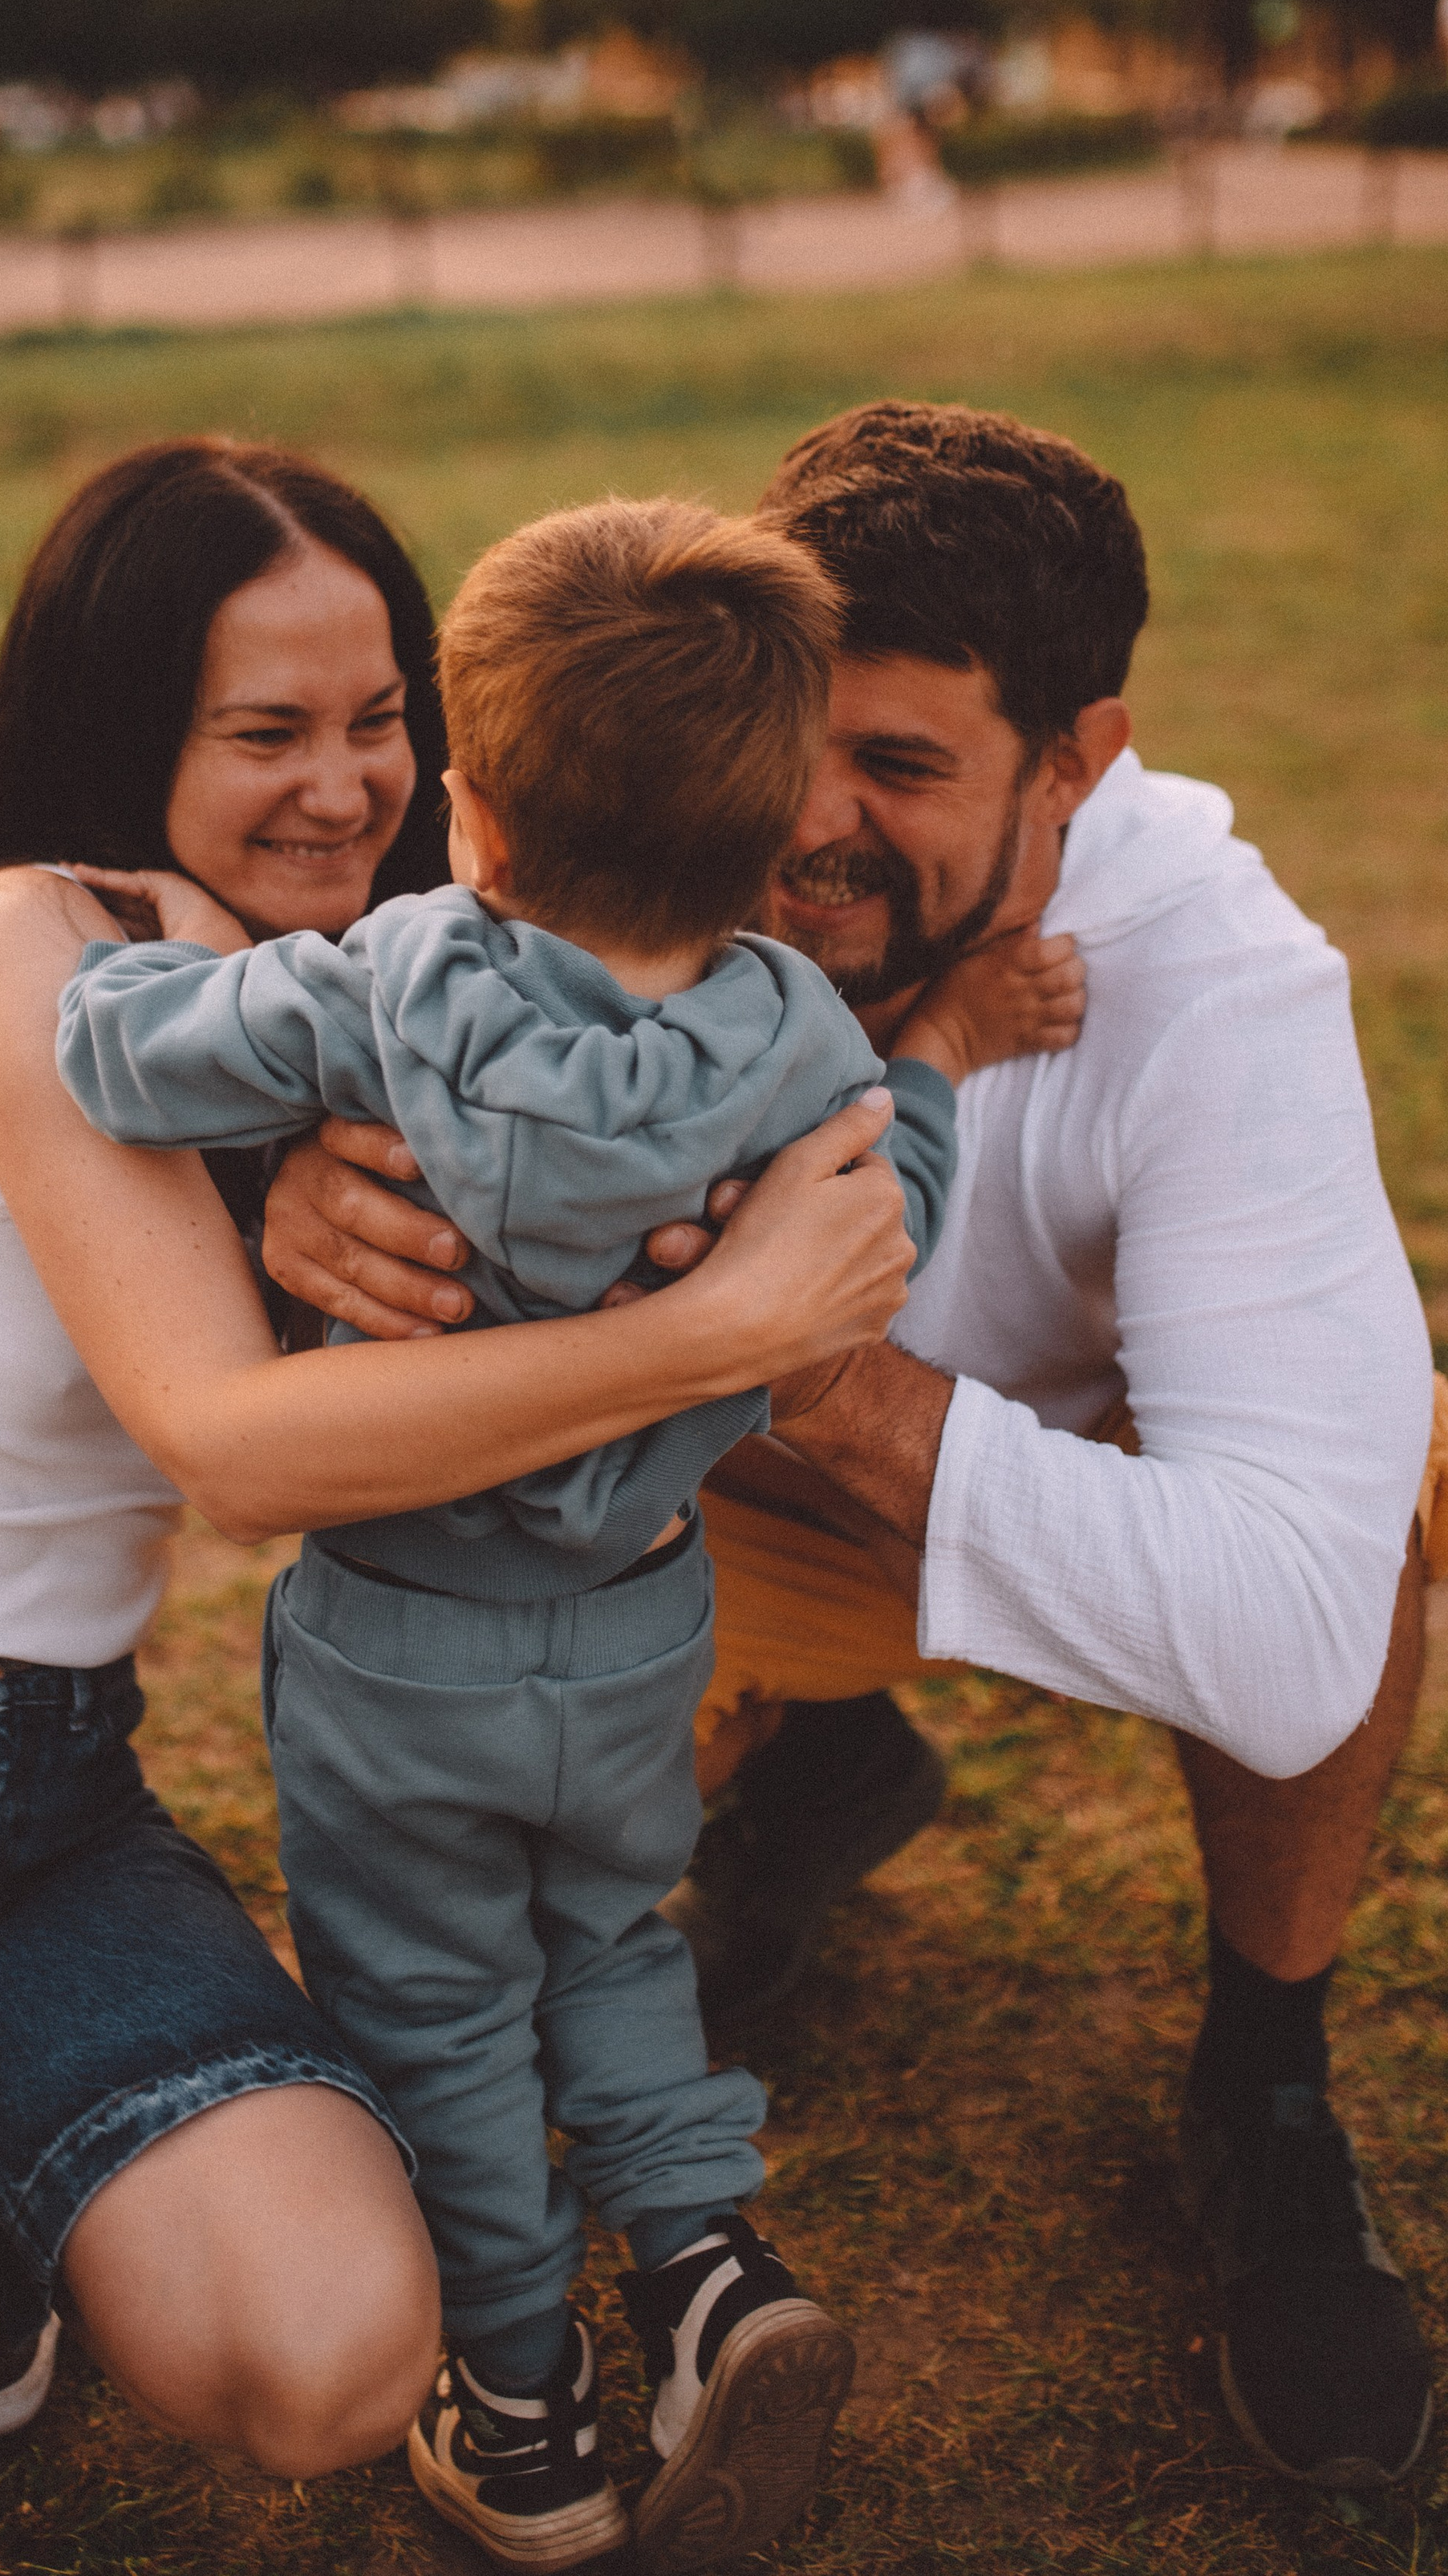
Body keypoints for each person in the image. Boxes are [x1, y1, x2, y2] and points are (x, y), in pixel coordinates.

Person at [0, 439, 920, 2576]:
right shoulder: (41, 945)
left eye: (385, 718)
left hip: (43, 1814)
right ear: (133, 729)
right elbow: (227, 1448)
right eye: (266, 733)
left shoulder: (418, 998)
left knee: (328, 2348)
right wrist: (730, 1325)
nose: (345, 783)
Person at [258, 402, 1445, 2499]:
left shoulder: (1220, 983)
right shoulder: (664, 800)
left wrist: (813, 1366)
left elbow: (1280, 1637)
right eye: (803, 736)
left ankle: (1263, 2081)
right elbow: (343, 988)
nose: (806, 825)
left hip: (1010, 1458)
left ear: (1082, 759)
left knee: (1383, 1492)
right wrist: (295, 1187)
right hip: (701, 1490)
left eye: (902, 771)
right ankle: (801, 1766)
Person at [56, 496, 1082, 2573]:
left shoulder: (386, 983)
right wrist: (950, 1060)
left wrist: (144, 978)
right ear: (776, 828)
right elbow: (893, 1225)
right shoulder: (801, 1037)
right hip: (633, 1639)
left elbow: (112, 1056)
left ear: (478, 818)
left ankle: (522, 2410)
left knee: (431, 2004)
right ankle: (705, 2262)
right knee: (607, 1944)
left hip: (396, 1639)